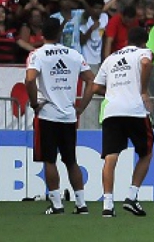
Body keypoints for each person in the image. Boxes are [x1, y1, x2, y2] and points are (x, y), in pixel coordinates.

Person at [25, 17, 96, 214]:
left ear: (41, 33)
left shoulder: (36, 55)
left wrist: (33, 103)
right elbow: (91, 80)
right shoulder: (74, 55)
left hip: (47, 114)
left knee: (49, 160)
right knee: (71, 160)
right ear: (60, 34)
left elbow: (29, 80)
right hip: (69, 116)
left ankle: (56, 204)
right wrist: (81, 106)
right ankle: (81, 204)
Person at [93, 27, 154, 218]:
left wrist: (113, 93)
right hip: (135, 110)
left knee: (111, 157)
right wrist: (143, 90)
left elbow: (96, 87)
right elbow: (146, 64)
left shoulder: (111, 58)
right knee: (146, 152)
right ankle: (131, 196)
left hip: (112, 111)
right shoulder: (144, 52)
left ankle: (108, 204)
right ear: (145, 41)